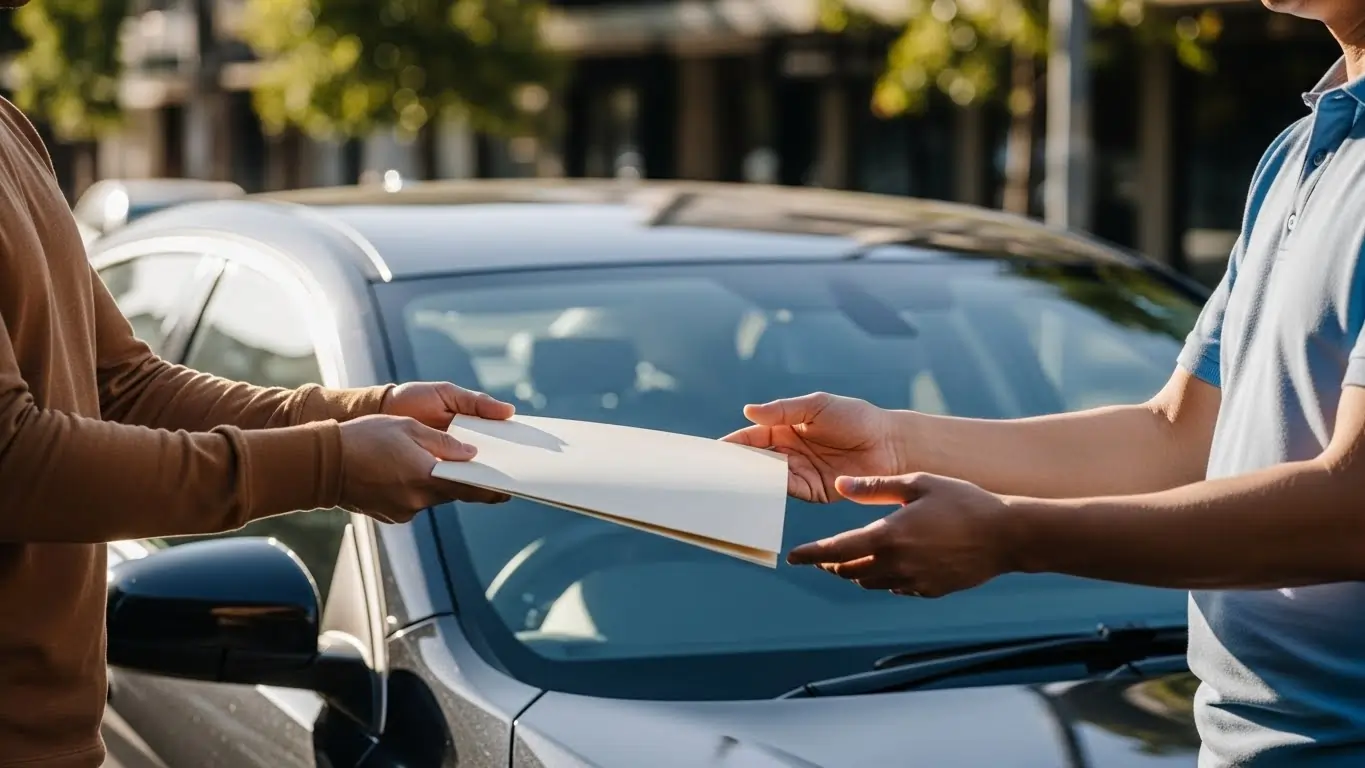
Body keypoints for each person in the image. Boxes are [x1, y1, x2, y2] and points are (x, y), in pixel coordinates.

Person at [725, 35, 1365, 768]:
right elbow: (1179, 435)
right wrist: (895, 444)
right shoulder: (1300, 150)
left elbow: (1353, 509)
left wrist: (1012, 537)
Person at [0, 65, 513, 767]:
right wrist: (331, 464)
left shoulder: (8, 130)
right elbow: (14, 463)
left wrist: (364, 409)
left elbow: (122, 385)